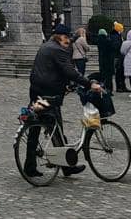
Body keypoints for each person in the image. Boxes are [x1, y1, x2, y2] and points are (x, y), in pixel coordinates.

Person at [24, 23, 102, 178]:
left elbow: (51, 70)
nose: (68, 41)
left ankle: (29, 166)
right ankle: (66, 166)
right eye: (66, 38)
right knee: (57, 128)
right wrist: (89, 83)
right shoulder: (58, 50)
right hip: (49, 95)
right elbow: (69, 71)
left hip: (36, 91)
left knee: (34, 126)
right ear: (61, 37)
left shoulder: (46, 46)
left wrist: (65, 85)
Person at [109, 23, 127, 92]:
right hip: (117, 56)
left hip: (119, 56)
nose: (122, 30)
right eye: (121, 29)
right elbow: (115, 46)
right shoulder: (115, 36)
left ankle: (122, 86)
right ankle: (119, 86)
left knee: (121, 71)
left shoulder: (117, 35)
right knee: (119, 72)